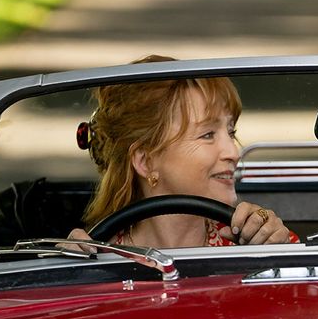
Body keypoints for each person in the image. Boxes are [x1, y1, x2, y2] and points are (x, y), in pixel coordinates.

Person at [68, 54, 295, 248]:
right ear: (146, 161)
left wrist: (274, 254)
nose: (233, 153)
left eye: (231, 132)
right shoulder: (97, 259)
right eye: (207, 135)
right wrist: (65, 272)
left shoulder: (254, 243)